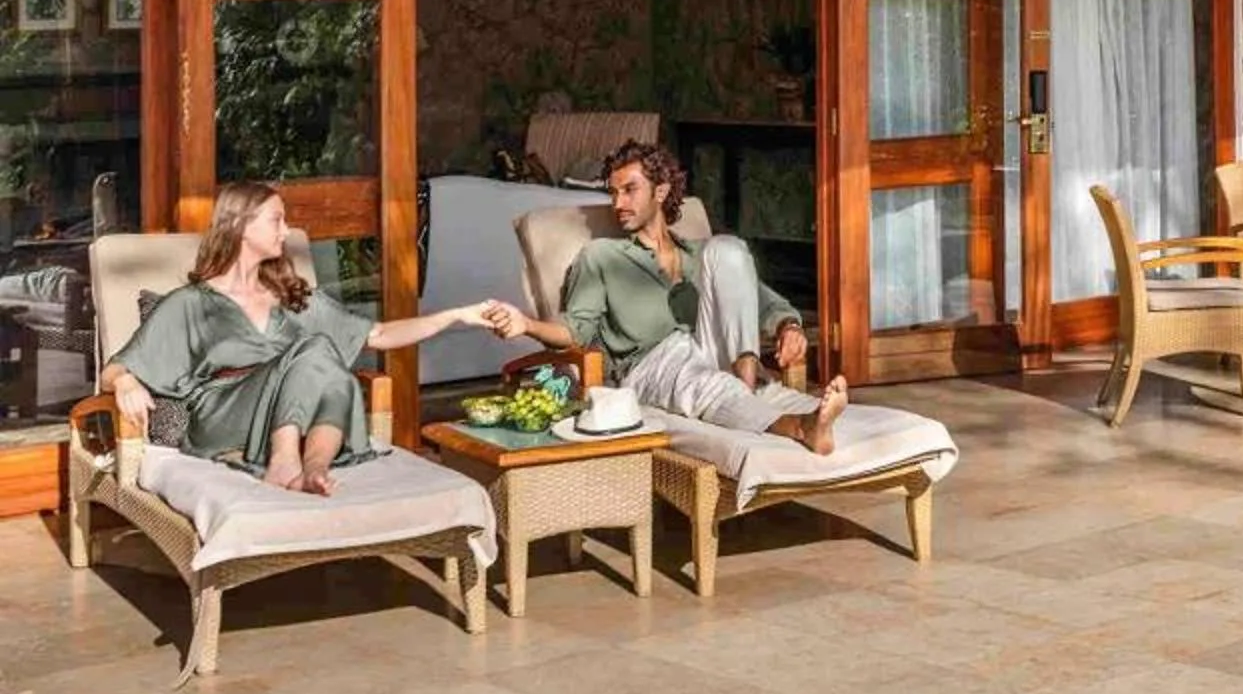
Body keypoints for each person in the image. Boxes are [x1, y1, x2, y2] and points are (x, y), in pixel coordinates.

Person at [99, 180, 516, 495]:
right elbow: (113, 369)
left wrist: (459, 315)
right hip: (224, 415)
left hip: (291, 411)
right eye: (276, 220)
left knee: (330, 367)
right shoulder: (192, 303)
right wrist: (126, 381)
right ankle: (284, 462)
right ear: (241, 226)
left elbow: (379, 334)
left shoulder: (294, 298)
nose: (287, 230)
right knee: (317, 348)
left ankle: (314, 469)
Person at [499, 140, 849, 455]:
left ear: (661, 191)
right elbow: (576, 331)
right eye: (613, 193)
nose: (618, 203)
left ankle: (742, 383)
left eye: (629, 190)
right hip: (651, 364)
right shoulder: (602, 256)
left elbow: (767, 302)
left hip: (715, 351)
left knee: (728, 247)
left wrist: (789, 327)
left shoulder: (701, 255)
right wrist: (527, 324)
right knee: (702, 380)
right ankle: (800, 426)